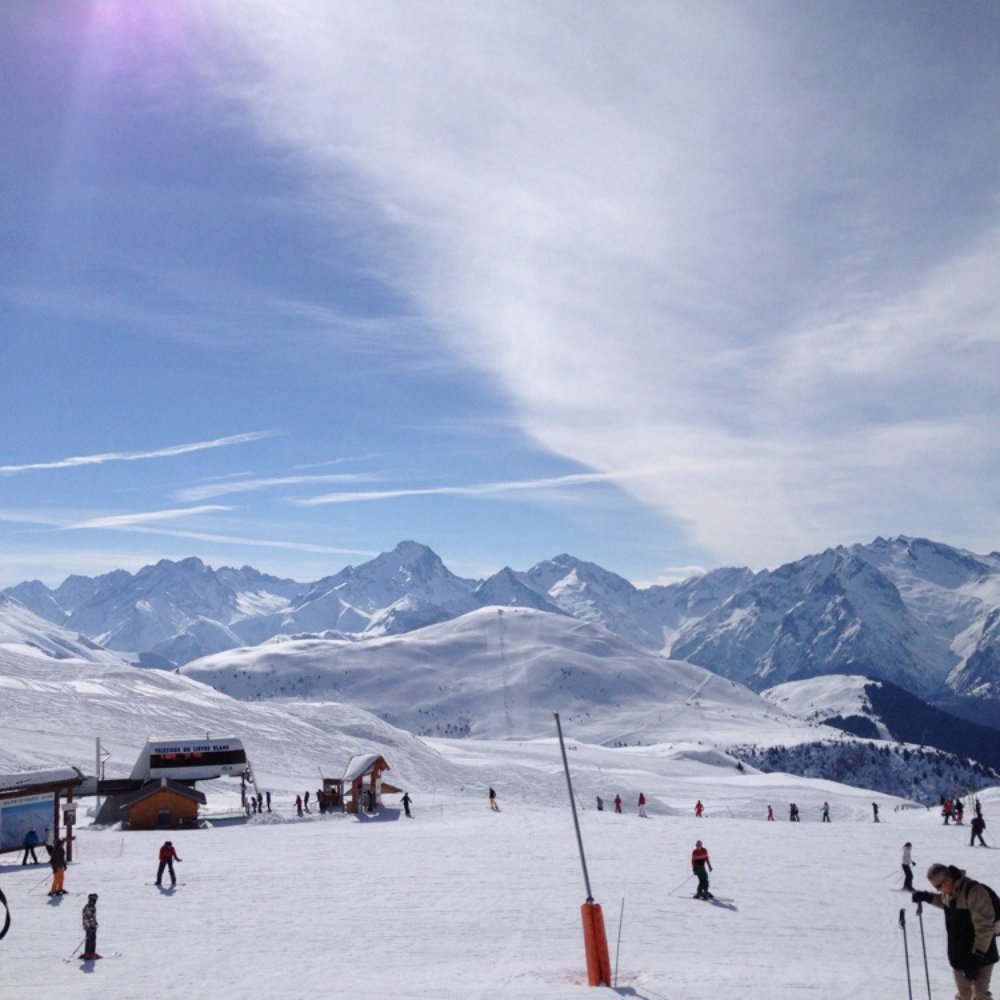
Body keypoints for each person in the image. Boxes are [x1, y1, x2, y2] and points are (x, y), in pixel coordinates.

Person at [913, 863, 999, 1000]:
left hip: (981, 956)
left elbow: (985, 927)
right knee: (964, 995)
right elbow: (946, 902)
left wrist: (977, 957)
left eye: (938, 886)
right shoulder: (949, 891)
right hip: (959, 955)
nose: (939, 890)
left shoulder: (974, 892)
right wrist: (927, 897)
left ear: (948, 879)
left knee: (979, 995)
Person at [81, 893, 100, 960]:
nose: (95, 901)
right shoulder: (90, 906)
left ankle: (88, 952)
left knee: (89, 939)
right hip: (90, 926)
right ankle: (91, 953)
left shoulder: (88, 906)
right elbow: (88, 917)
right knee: (91, 939)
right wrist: (91, 925)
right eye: (95, 899)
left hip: (88, 925)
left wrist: (95, 922)